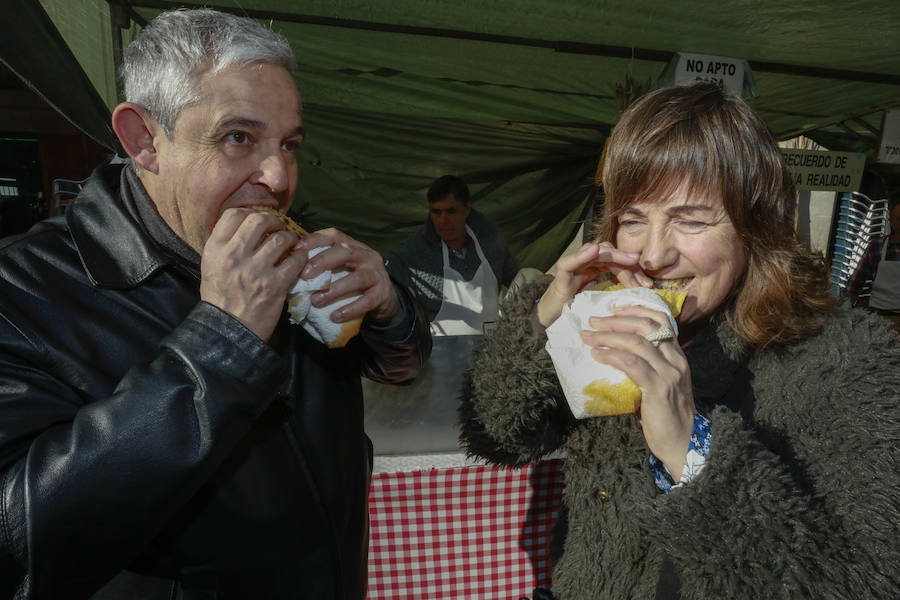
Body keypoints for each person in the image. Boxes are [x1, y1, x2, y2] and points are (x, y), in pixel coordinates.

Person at [0, 8, 430, 600]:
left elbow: (399, 367)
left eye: (289, 144)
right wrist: (223, 340)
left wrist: (391, 312)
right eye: (238, 138)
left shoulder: (289, 244)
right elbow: (18, 540)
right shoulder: (22, 294)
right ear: (144, 140)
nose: (279, 177)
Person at [460, 82, 900, 598]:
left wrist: (693, 451)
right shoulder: (604, 318)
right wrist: (544, 319)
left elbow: (865, 583)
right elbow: (496, 435)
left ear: (757, 225)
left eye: (689, 220)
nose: (652, 255)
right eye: (634, 220)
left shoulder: (849, 362)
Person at [386, 174, 518, 335]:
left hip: (493, 349)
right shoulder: (413, 253)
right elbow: (386, 286)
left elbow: (516, 281)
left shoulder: (491, 242)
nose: (443, 221)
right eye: (436, 212)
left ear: (467, 208)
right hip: (441, 355)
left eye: (451, 211)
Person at [846, 202, 900, 331]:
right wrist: (844, 314)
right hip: (880, 320)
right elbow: (854, 286)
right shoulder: (876, 247)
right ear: (891, 221)